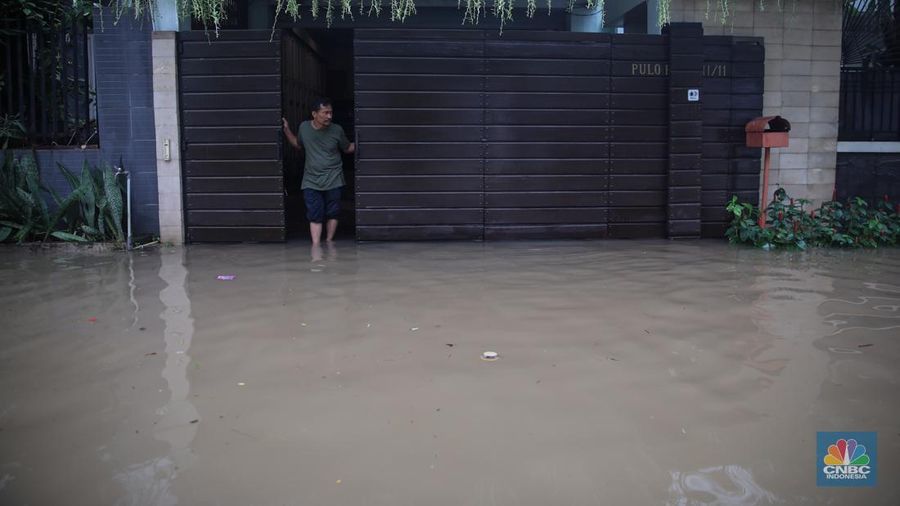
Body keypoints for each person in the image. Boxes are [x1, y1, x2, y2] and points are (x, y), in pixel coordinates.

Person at [282, 98, 355, 245]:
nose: (329, 116)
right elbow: (298, 144)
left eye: (331, 112)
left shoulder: (337, 130)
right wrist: (286, 130)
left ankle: (329, 243)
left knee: (332, 212)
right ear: (314, 114)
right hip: (311, 180)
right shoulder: (304, 128)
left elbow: (347, 148)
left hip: (334, 178)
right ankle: (316, 248)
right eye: (325, 113)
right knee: (315, 214)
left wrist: (368, 139)